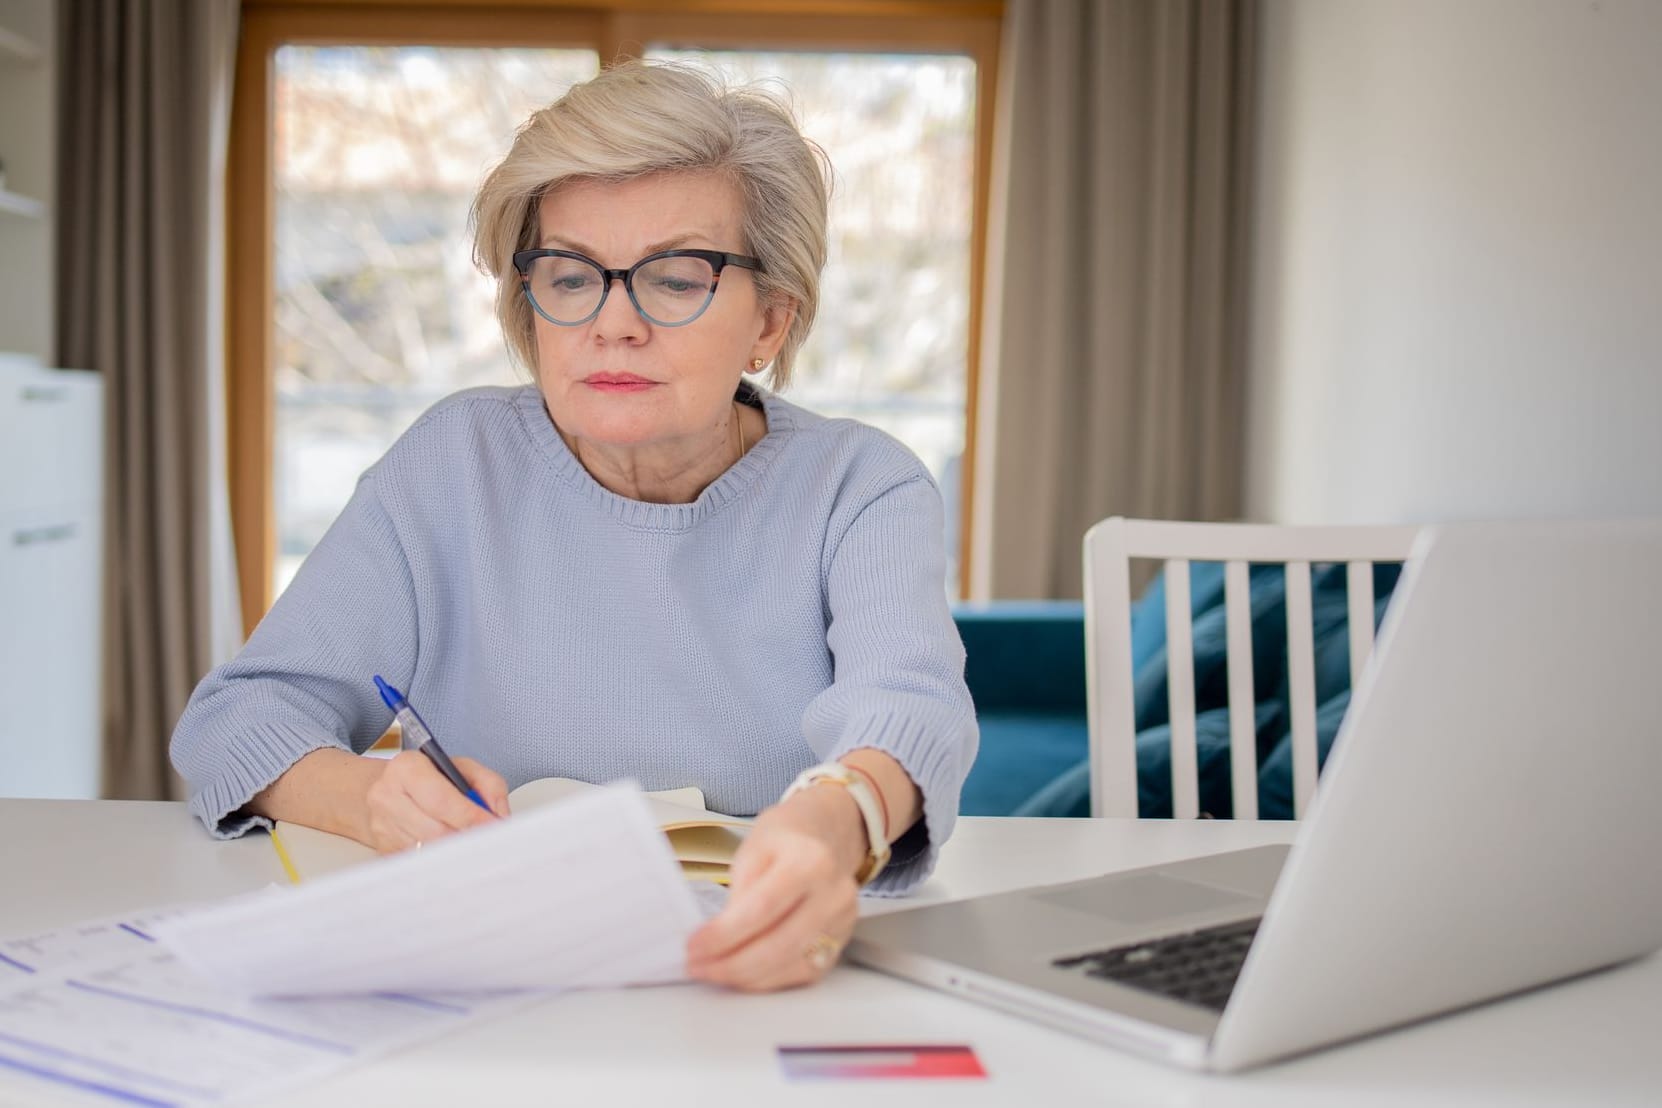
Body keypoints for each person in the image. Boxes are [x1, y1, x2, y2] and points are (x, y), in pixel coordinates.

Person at [170, 60, 977, 993]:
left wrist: (835, 823)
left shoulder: (862, 484)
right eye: (571, 275)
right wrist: (368, 796)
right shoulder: (452, 464)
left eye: (676, 279)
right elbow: (238, 716)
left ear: (772, 320)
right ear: (531, 307)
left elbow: (912, 709)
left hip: (762, 971)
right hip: (498, 971)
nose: (613, 324)